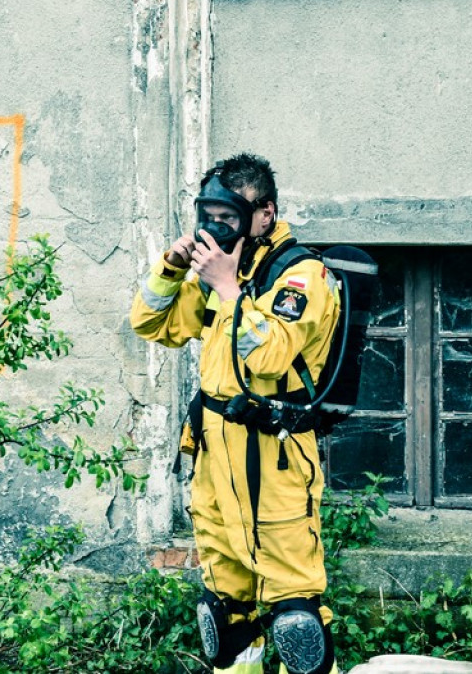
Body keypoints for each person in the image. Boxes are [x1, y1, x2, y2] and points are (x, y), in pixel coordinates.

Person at [129, 153, 341, 674]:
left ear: (263, 214)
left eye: (228, 217)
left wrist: (228, 288)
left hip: (275, 457)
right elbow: (152, 326)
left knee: (296, 620)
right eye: (208, 213)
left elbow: (268, 356)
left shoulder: (301, 274)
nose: (214, 226)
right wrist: (174, 268)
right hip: (214, 454)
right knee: (226, 614)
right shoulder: (222, 270)